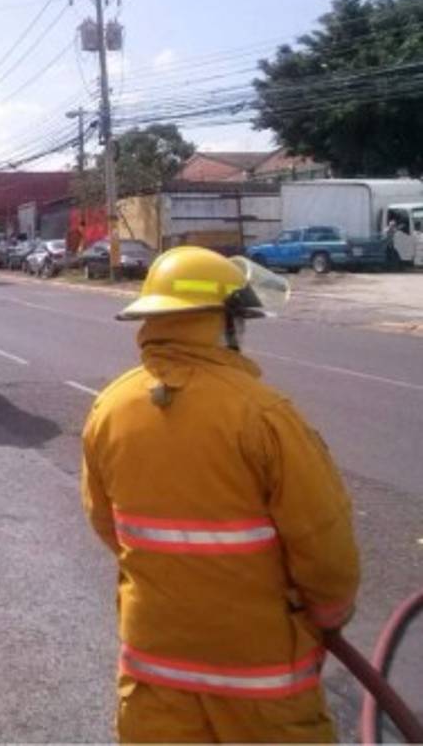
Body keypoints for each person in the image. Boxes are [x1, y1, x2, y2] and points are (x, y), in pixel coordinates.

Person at [81, 245, 360, 744]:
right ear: (224, 324)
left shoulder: (110, 408)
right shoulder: (263, 414)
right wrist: (329, 611)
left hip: (154, 665)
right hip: (261, 678)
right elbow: (323, 540)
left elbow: (106, 523)